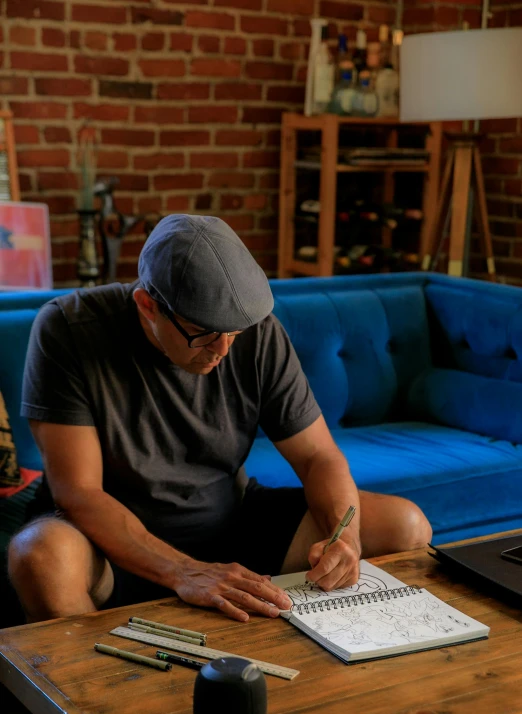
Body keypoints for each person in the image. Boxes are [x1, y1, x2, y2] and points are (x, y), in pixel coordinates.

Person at [8, 214, 432, 624]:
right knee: (40, 559)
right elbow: (79, 493)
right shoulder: (68, 328)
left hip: (229, 520)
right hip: (108, 542)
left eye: (234, 332)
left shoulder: (258, 332)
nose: (223, 350)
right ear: (147, 306)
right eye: (204, 332)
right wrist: (184, 571)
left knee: (405, 524)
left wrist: (346, 538)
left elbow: (318, 455)